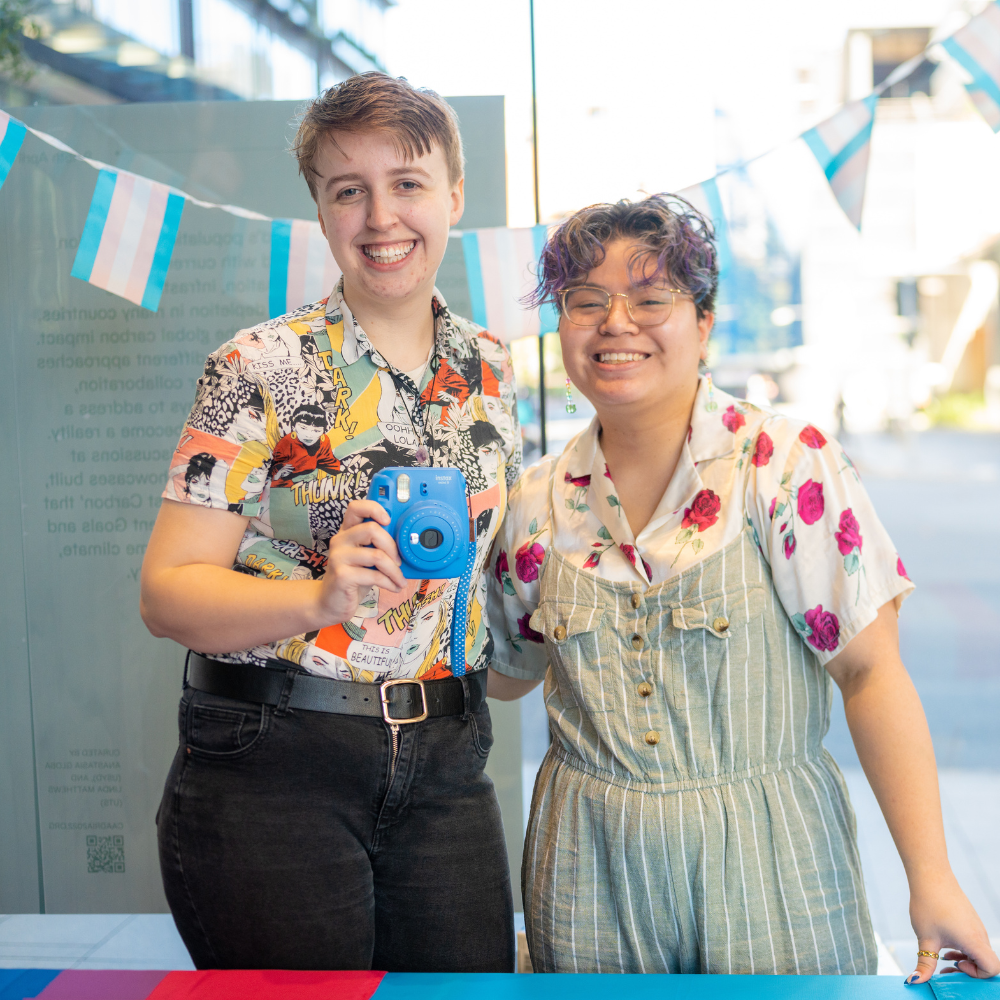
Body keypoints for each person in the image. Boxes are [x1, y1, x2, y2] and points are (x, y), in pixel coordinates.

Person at [486, 194, 999, 979]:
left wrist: (931, 879)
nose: (616, 323)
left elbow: (870, 673)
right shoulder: (536, 500)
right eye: (586, 302)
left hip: (773, 860)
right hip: (587, 870)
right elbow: (503, 677)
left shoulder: (786, 466)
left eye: (651, 299)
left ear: (705, 323)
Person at [141, 72, 521, 972]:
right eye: (350, 190)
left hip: (446, 755)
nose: (382, 216)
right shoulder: (258, 365)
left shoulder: (493, 368)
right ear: (320, 208)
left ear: (454, 195)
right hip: (278, 759)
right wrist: (320, 595)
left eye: (408, 183)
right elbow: (168, 594)